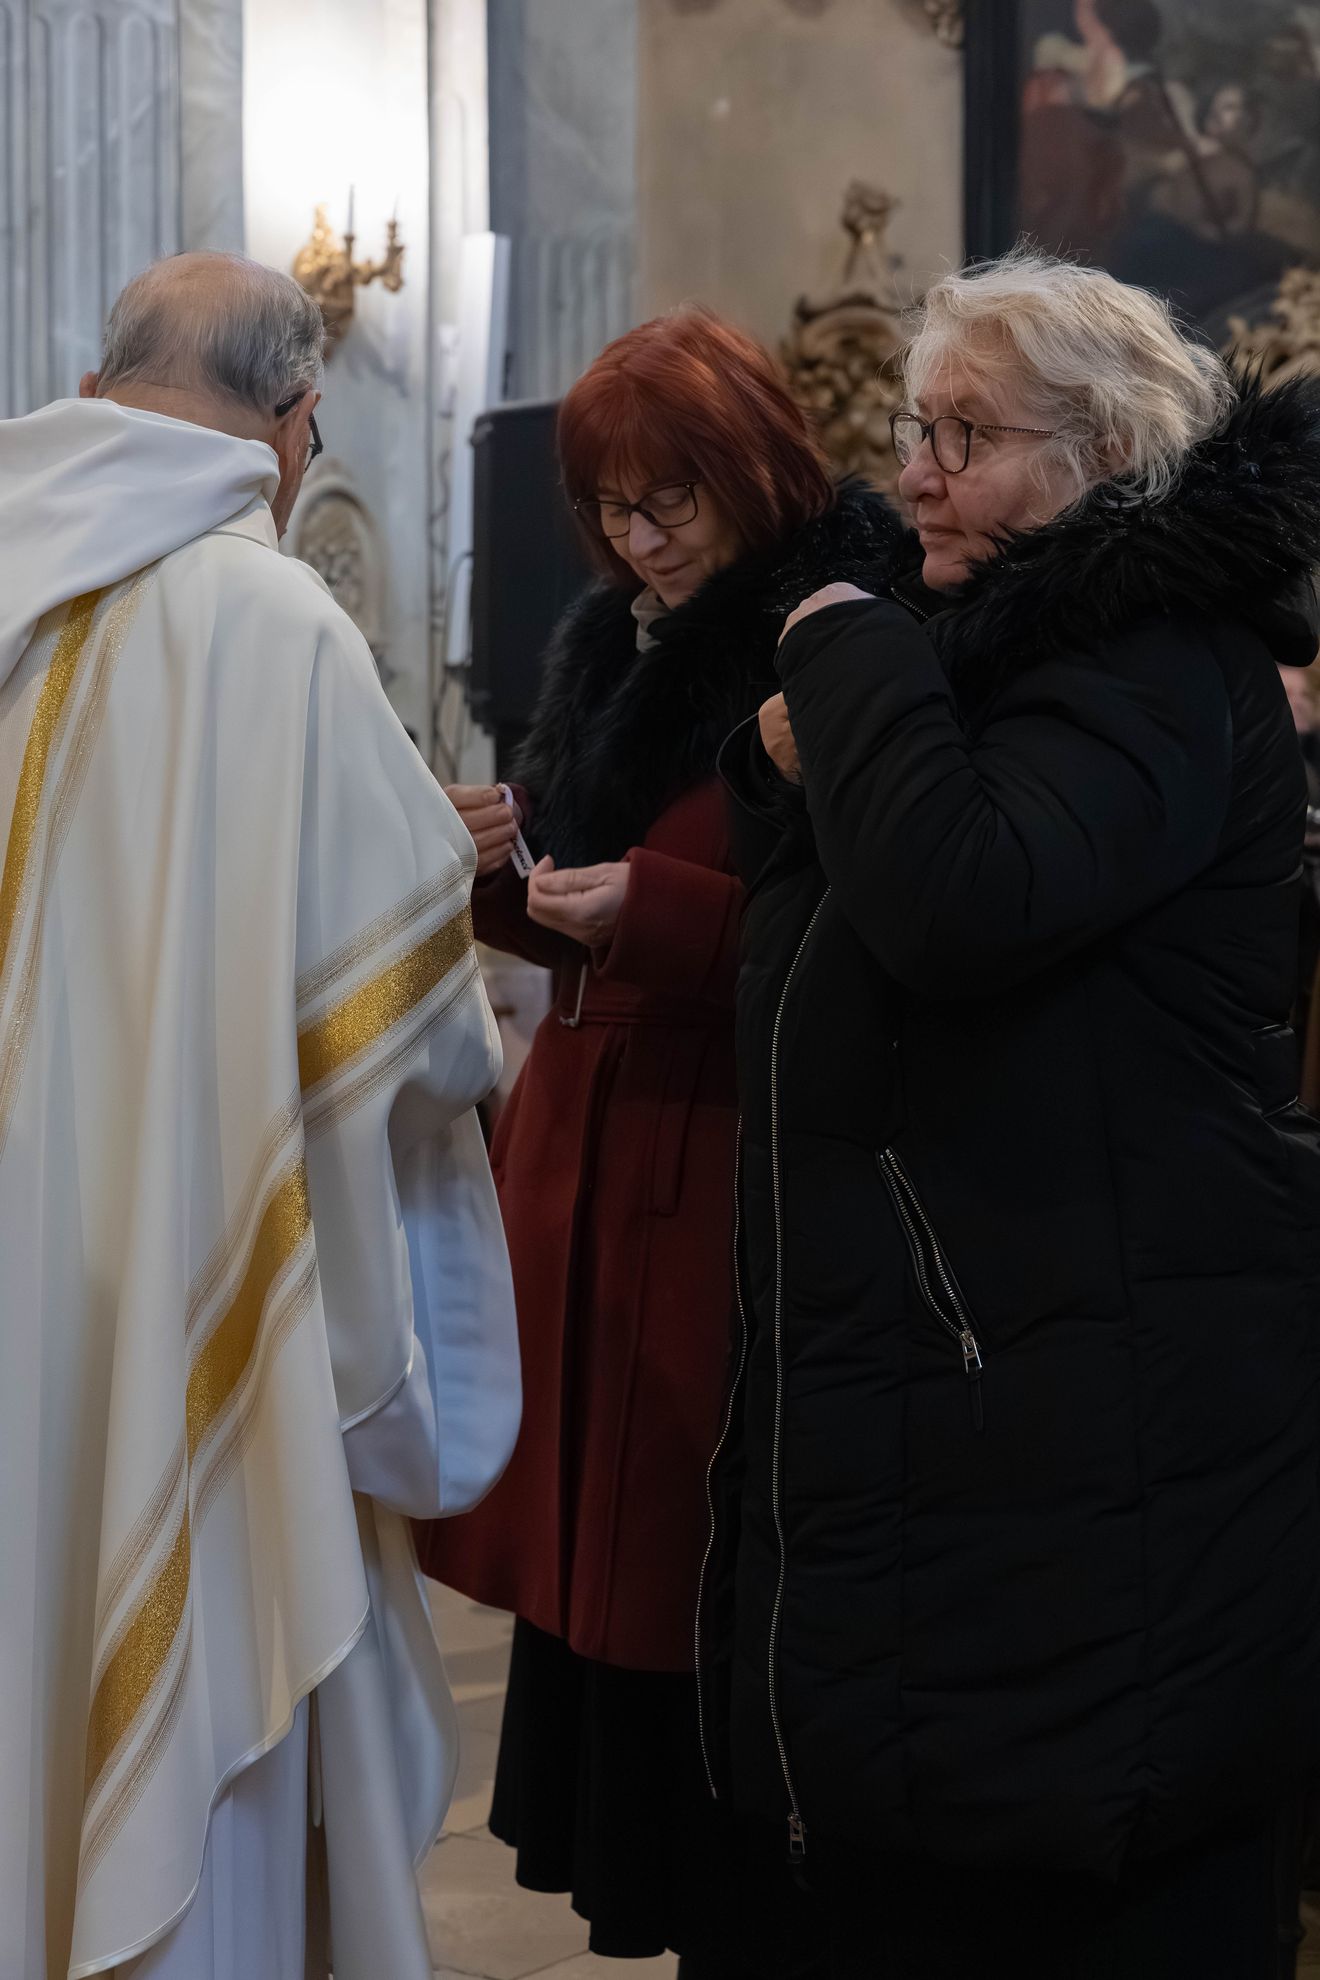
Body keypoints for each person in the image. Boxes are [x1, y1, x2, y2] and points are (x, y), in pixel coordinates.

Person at [711, 250, 1320, 1977]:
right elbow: (824, 878)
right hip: (985, 1393)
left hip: (1076, 1408)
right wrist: (779, 751)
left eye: (964, 435)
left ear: (1102, 452)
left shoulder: (1151, 662)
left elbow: (959, 895)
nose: (915, 472)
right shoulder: (1011, 644)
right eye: (916, 428)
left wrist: (844, 642)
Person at [0, 252, 521, 1980]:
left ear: (103, 384)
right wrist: (426, 858)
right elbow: (405, 1037)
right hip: (181, 1281)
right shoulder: (274, 621)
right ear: (297, 420)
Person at [418, 308, 900, 1972]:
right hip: (595, 1152)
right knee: (596, 1572)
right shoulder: (612, 643)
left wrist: (661, 913)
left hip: (716, 1158)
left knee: (676, 1573)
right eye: (610, 508)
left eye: (667, 500)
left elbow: (868, 919)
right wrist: (495, 874)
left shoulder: (840, 633)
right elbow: (585, 893)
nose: (638, 539)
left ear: (750, 465)